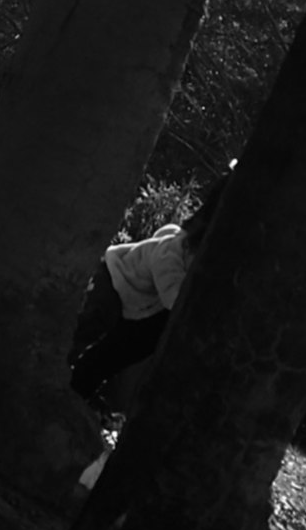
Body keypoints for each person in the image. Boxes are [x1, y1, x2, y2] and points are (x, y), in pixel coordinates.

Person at [68, 164, 234, 412]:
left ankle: (83, 389)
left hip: (139, 304)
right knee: (88, 325)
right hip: (116, 280)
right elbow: (173, 298)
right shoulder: (171, 255)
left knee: (116, 350)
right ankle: (59, 366)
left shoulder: (188, 256)